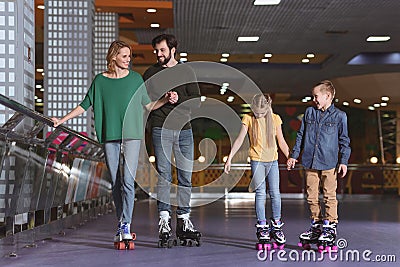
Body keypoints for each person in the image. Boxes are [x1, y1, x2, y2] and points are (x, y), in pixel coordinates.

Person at [52, 40, 169, 244]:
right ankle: (121, 221)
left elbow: (148, 105)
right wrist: (62, 120)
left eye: (129, 56)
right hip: (109, 134)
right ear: (113, 56)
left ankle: (125, 225)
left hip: (131, 134)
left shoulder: (135, 79)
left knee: (127, 181)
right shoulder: (100, 81)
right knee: (115, 181)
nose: (128, 60)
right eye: (124, 56)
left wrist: (166, 100)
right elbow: (85, 104)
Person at [143, 34, 202, 247]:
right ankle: (164, 220)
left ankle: (184, 219)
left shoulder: (186, 71)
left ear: (173, 49)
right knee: (164, 176)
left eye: (162, 50)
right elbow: (145, 103)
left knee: (186, 176)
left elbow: (196, 102)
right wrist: (164, 100)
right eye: (156, 51)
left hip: (184, 130)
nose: (158, 54)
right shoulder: (150, 73)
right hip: (160, 128)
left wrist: (179, 99)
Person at [287, 80, 351, 251]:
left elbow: (344, 140)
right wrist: (294, 156)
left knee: (329, 196)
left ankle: (330, 227)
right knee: (311, 196)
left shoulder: (339, 116)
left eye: (315, 96)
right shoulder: (309, 112)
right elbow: (300, 135)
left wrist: (343, 161)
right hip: (310, 161)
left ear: (327, 96)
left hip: (329, 162)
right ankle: (316, 224)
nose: (313, 99)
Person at [224, 93, 290, 249]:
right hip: (257, 161)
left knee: (275, 193)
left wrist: (289, 156)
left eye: (261, 112)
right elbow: (240, 139)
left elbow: (281, 140)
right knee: (260, 193)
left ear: (268, 108)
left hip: (273, 161)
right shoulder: (248, 118)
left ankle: (277, 225)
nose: (258, 115)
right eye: (256, 112)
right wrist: (230, 158)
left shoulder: (275, 118)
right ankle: (262, 227)